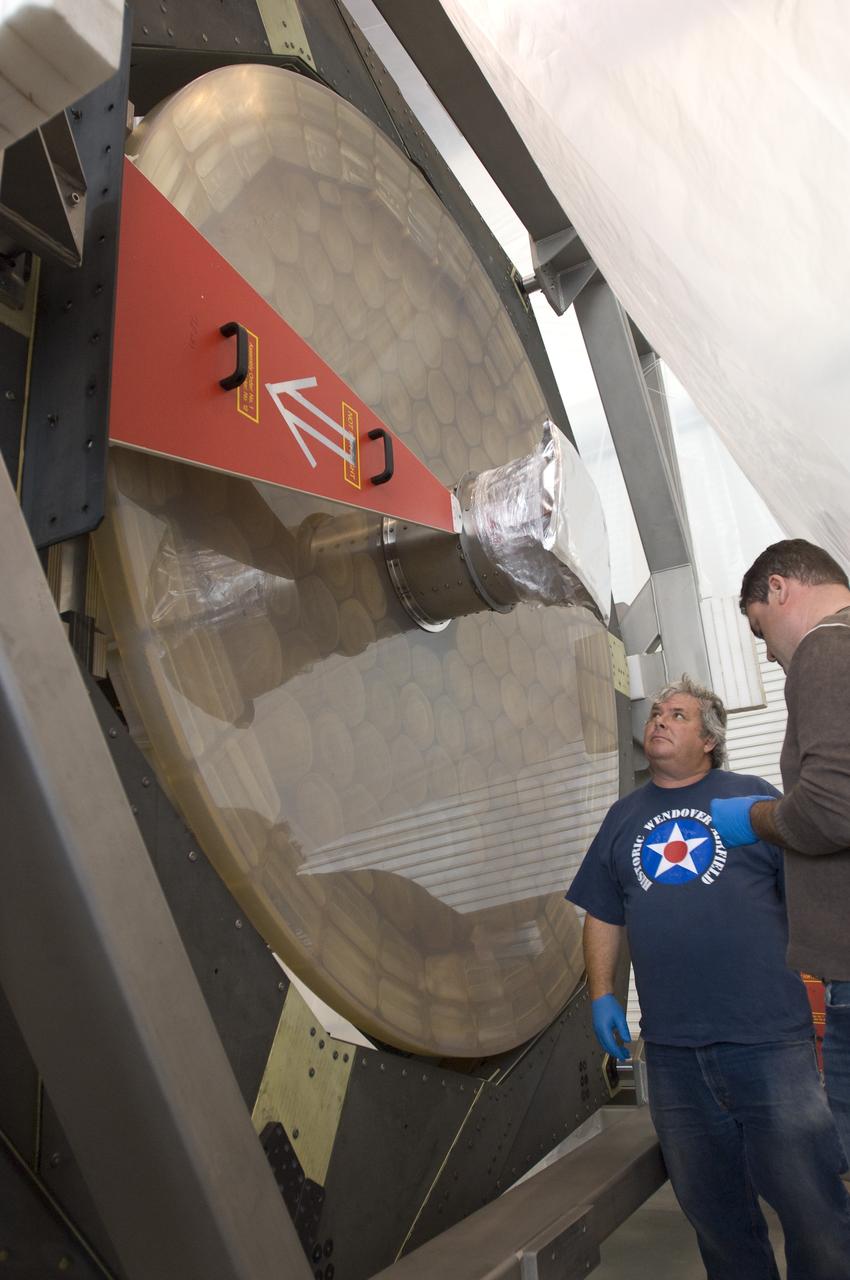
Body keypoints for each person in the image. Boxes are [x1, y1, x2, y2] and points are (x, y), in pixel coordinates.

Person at [567, 675, 850, 1280]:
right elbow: (602, 911)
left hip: (769, 1041)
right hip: (672, 1054)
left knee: (813, 1209)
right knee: (717, 1220)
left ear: (710, 739)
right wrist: (601, 995)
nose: (659, 721)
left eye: (678, 714)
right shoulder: (623, 817)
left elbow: (808, 891)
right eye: (656, 714)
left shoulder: (753, 800)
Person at [711, 538, 850, 1163]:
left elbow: (829, 808)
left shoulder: (826, 649)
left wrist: (754, 820)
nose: (767, 654)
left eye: (759, 629)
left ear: (777, 589)